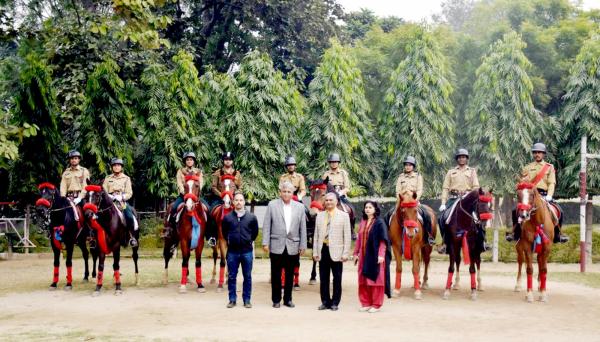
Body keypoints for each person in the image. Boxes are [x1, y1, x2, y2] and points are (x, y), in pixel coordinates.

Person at [507, 143, 568, 243]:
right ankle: (515, 234)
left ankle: (558, 235)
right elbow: (523, 183)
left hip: (544, 194)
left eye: (539, 152)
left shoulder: (549, 167)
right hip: (530, 195)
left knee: (560, 210)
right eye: (535, 152)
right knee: (515, 210)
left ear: (543, 154)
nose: (537, 154)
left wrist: (549, 195)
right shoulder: (527, 167)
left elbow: (551, 183)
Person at [262, 181, 307, 308]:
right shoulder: (272, 205)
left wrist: (303, 245)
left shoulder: (299, 207)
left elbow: (302, 227)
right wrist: (265, 242)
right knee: (275, 273)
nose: (286, 194)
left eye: (289, 191)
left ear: (293, 193)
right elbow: (266, 225)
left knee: (290, 274)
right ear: (280, 192)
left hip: (293, 245)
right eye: (284, 191)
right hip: (276, 244)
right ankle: (276, 300)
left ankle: (288, 299)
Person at [438, 148, 483, 253]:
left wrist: (471, 196)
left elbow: (476, 187)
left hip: (467, 199)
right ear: (457, 159)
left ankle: (482, 242)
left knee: (478, 220)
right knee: (442, 218)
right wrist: (443, 203)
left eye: (463, 157)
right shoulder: (451, 172)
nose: (461, 159)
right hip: (453, 199)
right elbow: (445, 188)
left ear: (466, 159)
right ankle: (445, 242)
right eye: (460, 157)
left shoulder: (472, 171)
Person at [312, 192, 351, 311]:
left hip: (337, 251)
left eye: (331, 200)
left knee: (337, 278)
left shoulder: (344, 216)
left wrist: (345, 253)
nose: (328, 202)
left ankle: (335, 302)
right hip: (323, 249)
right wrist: (315, 252)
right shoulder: (320, 216)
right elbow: (316, 236)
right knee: (323, 278)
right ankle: (325, 302)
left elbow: (347, 236)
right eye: (327, 200)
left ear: (336, 201)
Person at [353, 201, 390, 313]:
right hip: (364, 257)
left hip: (375, 256)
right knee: (363, 280)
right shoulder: (363, 222)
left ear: (375, 209)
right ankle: (366, 303)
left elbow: (383, 241)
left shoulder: (380, 223)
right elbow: (359, 240)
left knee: (375, 280)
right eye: (366, 207)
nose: (367, 209)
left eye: (370, 207)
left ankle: (376, 304)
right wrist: (355, 253)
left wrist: (381, 255)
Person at [223, 192, 258, 309]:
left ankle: (247, 300)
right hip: (232, 252)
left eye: (241, 200)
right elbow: (224, 233)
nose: (238, 202)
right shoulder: (227, 218)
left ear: (244, 202)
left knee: (247, 276)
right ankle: (232, 299)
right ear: (233, 202)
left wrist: (247, 240)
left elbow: (255, 233)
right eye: (236, 200)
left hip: (247, 252)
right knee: (232, 277)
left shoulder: (252, 217)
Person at [395, 155, 434, 245]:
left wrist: (415, 200)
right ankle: (388, 237)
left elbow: (420, 190)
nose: (408, 166)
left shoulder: (418, 177)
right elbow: (397, 191)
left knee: (426, 215)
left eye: (410, 165)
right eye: (406, 165)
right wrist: (400, 200)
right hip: (402, 202)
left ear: (413, 166)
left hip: (413, 202)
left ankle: (429, 236)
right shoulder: (401, 177)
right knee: (389, 216)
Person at [102, 157, 138, 247]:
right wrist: (110, 196)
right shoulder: (107, 178)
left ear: (121, 167)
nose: (116, 167)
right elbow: (103, 190)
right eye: (114, 165)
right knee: (97, 215)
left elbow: (129, 192)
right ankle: (94, 237)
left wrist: (121, 197)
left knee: (129, 216)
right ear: (112, 167)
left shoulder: (126, 178)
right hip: (109, 202)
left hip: (122, 202)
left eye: (118, 165)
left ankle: (131, 236)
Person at [167, 152, 203, 231]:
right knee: (173, 208)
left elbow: (201, 183)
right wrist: (186, 193)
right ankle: (169, 228)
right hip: (184, 195)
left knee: (207, 209)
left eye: (191, 159)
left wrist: (194, 193)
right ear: (185, 161)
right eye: (187, 160)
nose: (189, 161)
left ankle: (209, 233)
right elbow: (179, 184)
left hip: (195, 196)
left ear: (193, 161)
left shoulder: (198, 172)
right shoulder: (180, 171)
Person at [60, 150, 90, 222]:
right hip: (69, 198)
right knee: (60, 212)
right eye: (72, 158)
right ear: (69, 160)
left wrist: (79, 198)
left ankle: (90, 231)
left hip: (81, 198)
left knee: (88, 213)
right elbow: (63, 187)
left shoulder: (84, 171)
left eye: (75, 158)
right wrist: (63, 198)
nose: (74, 160)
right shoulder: (66, 172)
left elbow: (86, 186)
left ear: (79, 159)